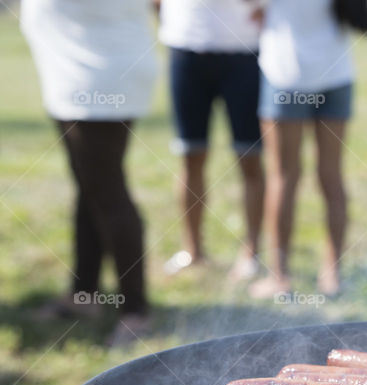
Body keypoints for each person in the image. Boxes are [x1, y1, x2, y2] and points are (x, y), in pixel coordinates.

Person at [21, 0, 158, 346]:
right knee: (90, 187)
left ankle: (136, 312)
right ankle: (85, 294)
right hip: (84, 74)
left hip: (95, 79)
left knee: (107, 191)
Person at [250, 0, 354, 298]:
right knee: (332, 175)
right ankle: (333, 274)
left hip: (286, 72)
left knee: (283, 176)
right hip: (336, 70)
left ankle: (279, 277)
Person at [157, 0, 266, 280]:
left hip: (243, 51)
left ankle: (251, 252)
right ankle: (192, 250)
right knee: (190, 154)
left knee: (249, 157)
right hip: (186, 48)